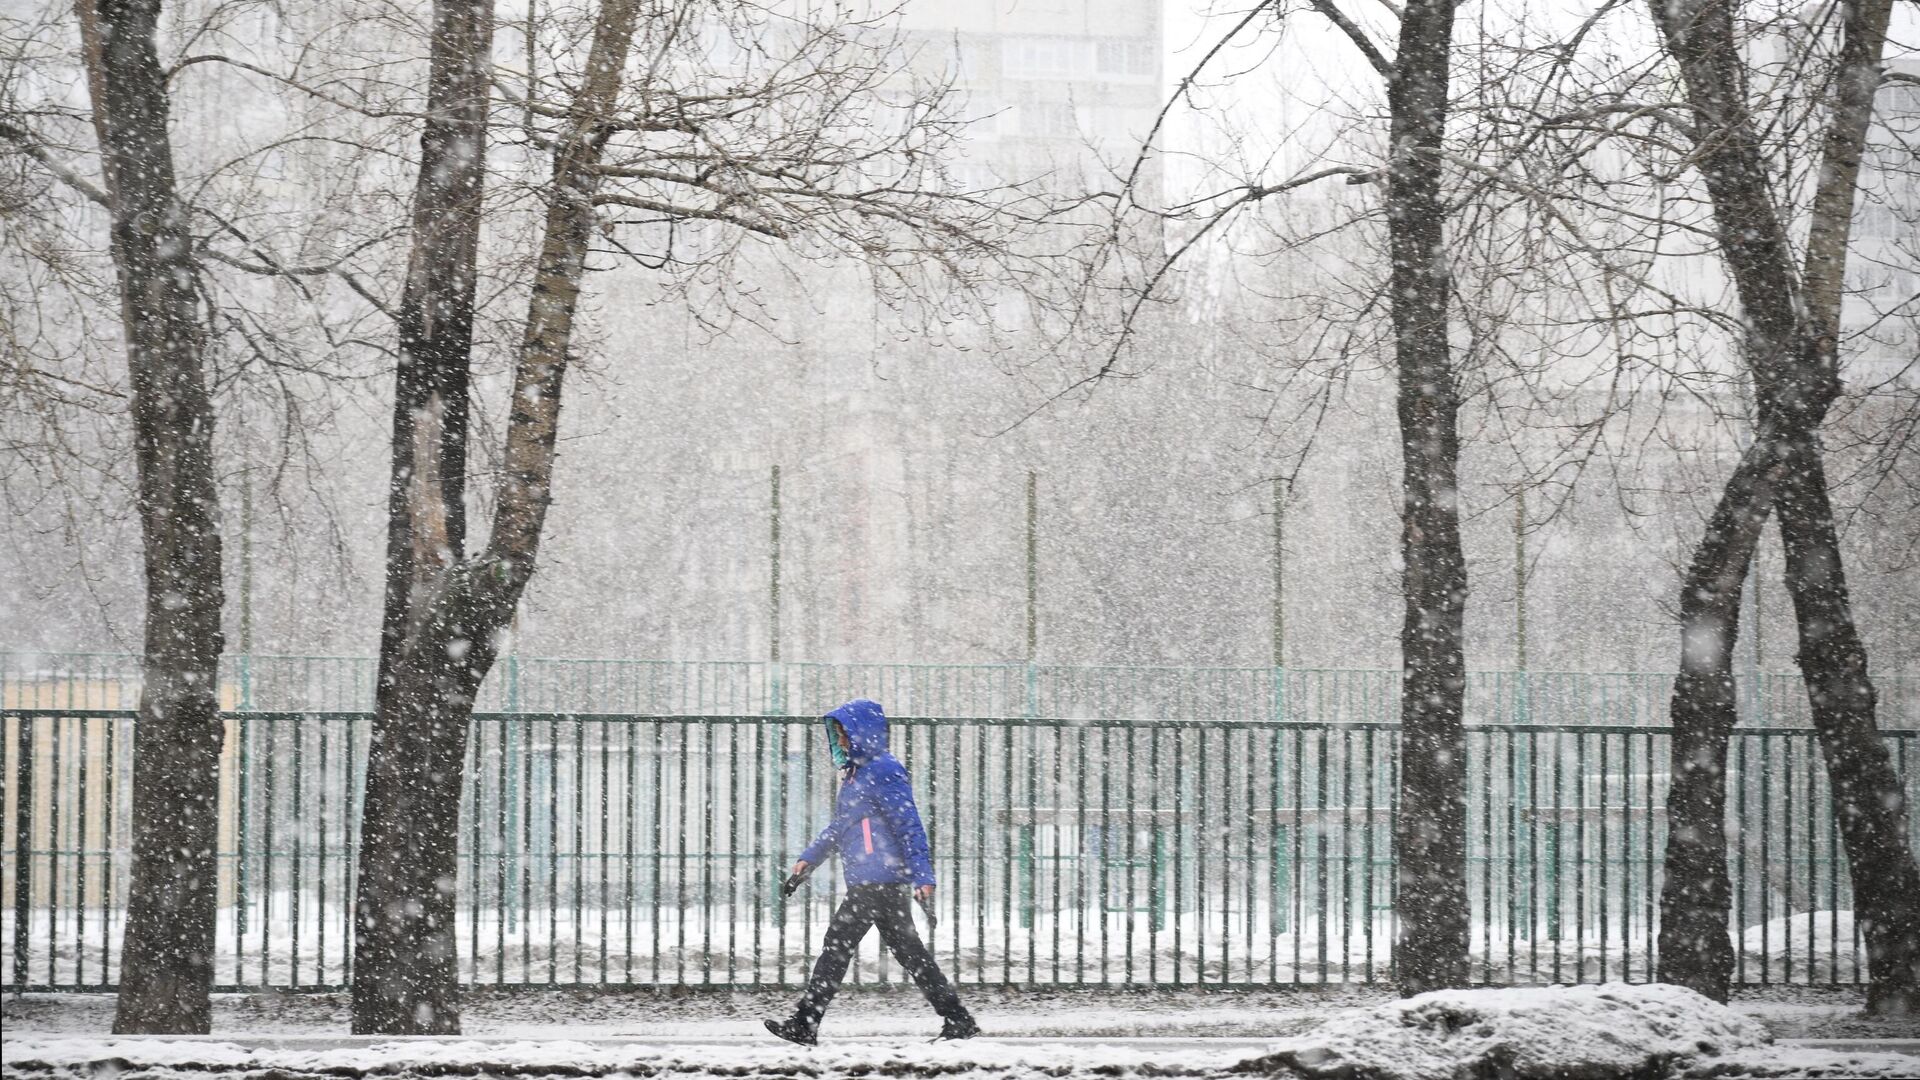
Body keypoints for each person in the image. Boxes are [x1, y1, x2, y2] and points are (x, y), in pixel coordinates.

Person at [765, 698, 978, 1045]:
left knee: (837, 945)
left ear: (862, 733)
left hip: (879, 879)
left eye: (845, 733)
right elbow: (841, 826)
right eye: (837, 734)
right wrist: (809, 859)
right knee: (909, 953)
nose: (840, 741)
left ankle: (805, 1022)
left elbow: (909, 825)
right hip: (873, 879)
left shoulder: (883, 770)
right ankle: (958, 1019)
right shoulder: (855, 776)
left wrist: (923, 876)